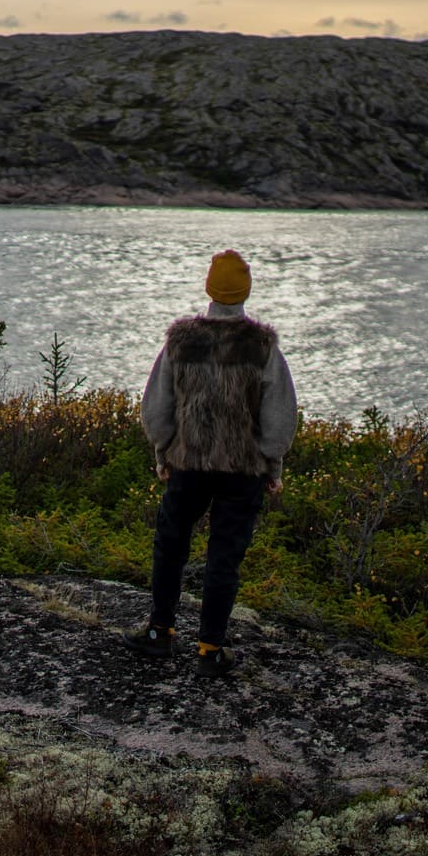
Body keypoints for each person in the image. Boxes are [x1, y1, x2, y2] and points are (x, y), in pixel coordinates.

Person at [122, 249, 298, 678]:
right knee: (225, 555)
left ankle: (160, 632)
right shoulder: (262, 347)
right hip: (243, 471)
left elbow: (157, 407)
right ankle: (210, 649)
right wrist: (272, 467)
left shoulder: (181, 341)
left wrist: (163, 453)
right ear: (245, 292)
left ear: (210, 288)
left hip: (189, 463)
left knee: (171, 543)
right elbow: (279, 416)